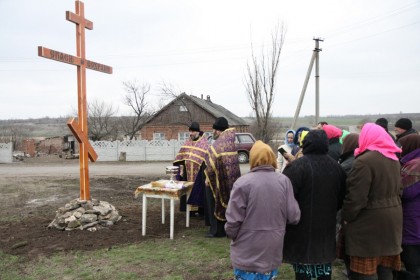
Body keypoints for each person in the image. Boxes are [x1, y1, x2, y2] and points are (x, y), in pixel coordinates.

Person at [225, 140, 301, 280]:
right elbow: (294, 216)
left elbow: (233, 221)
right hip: (272, 248)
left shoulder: (242, 183)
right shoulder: (284, 181)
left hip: (246, 248)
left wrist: (232, 234)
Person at [282, 129, 346, 280]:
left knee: (303, 268)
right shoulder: (337, 168)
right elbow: (342, 197)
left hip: (301, 226)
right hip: (326, 226)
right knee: (323, 266)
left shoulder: (296, 167)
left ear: (306, 144)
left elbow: (285, 196)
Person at [342, 123, 403, 280]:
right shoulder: (393, 158)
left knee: (365, 271)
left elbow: (356, 198)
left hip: (369, 223)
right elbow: (399, 191)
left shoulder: (364, 161)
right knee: (384, 267)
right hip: (392, 221)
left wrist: (346, 217)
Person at [204, 117, 241, 237]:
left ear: (218, 130)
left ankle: (217, 231)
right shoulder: (230, 141)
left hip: (218, 178)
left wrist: (207, 177)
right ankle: (226, 228)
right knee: (228, 201)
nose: (213, 132)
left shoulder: (219, 143)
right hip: (231, 179)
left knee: (216, 200)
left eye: (215, 130)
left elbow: (211, 163)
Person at [173, 121, 209, 219]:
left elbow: (206, 157)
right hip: (187, 172)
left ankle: (200, 210)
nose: (191, 133)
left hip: (199, 172)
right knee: (188, 189)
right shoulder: (188, 141)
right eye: (190, 131)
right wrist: (179, 170)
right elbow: (181, 155)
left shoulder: (204, 142)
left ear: (197, 132)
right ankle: (189, 210)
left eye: (193, 131)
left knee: (199, 190)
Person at [398, 134, 420, 279]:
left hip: (413, 222)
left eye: (402, 146)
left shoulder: (414, 166)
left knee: (413, 265)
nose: (400, 149)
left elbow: (405, 192)